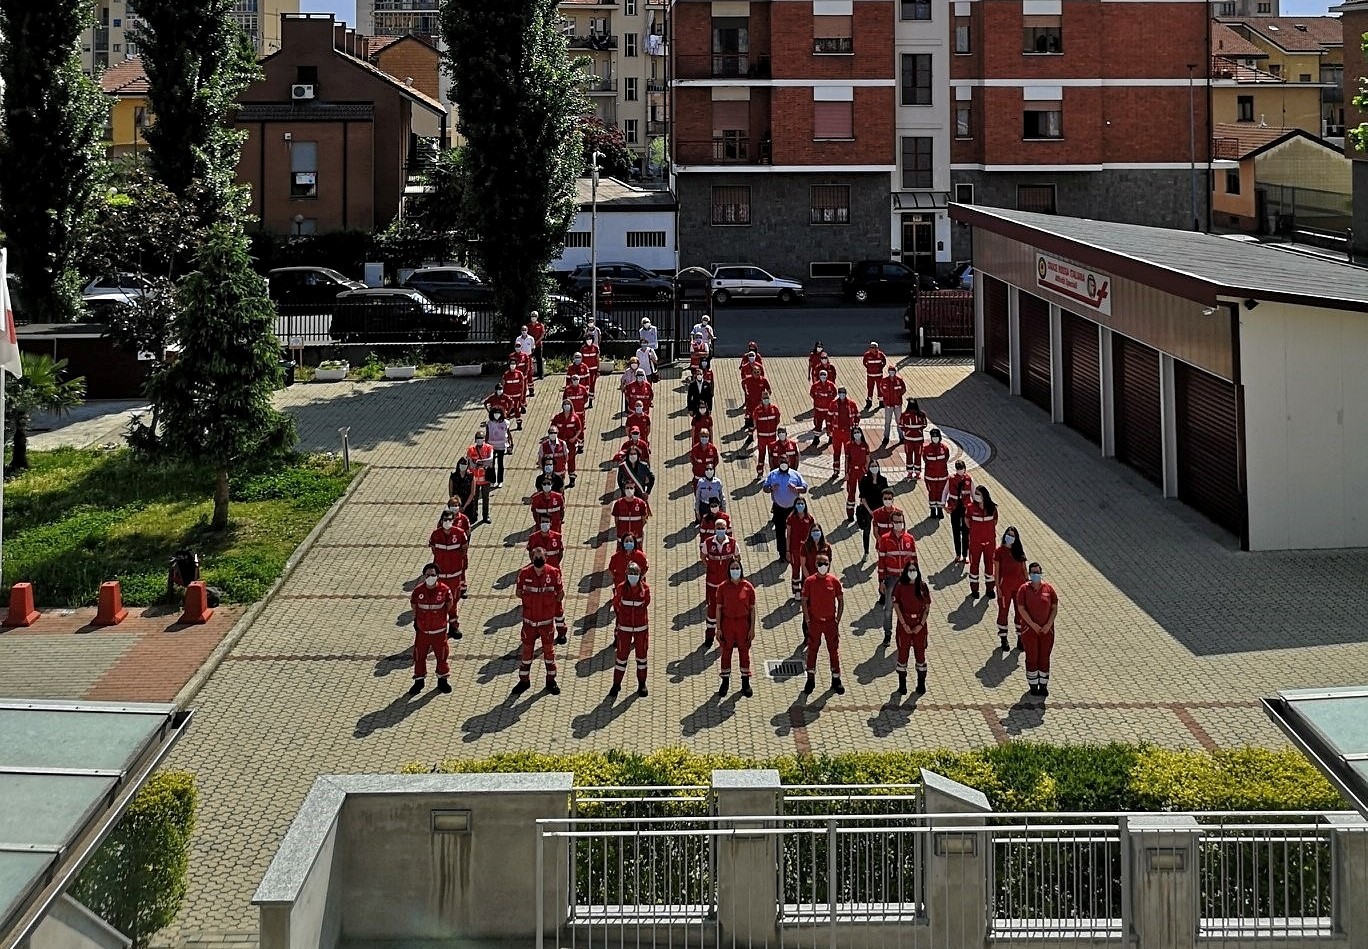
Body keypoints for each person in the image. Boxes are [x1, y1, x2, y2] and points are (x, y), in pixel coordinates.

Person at [513, 547, 565, 695]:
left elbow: (560, 594)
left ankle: (551, 681)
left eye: (540, 556)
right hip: (529, 623)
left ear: (546, 557)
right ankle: (524, 681)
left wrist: (549, 607)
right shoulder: (524, 574)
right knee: (526, 654)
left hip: (546, 623)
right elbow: (518, 593)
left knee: (549, 654)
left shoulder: (554, 573)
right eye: (536, 556)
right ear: (531, 557)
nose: (538, 558)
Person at [801, 551, 845, 696]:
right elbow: (804, 600)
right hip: (815, 622)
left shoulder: (834, 581)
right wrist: (807, 619)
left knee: (833, 651)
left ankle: (836, 679)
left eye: (825, 564)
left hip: (830, 622)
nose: (822, 566)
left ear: (829, 564)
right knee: (812, 650)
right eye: (820, 564)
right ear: (815, 565)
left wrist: (837, 619)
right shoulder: (809, 582)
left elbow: (840, 600)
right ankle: (810, 679)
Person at [409, 563, 456, 695]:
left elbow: (448, 605)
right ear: (424, 576)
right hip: (423, 632)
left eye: (433, 575)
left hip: (439, 632)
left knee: (441, 657)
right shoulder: (418, 591)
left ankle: (442, 680)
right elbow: (414, 606)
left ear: (437, 576)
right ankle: (419, 681)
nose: (431, 577)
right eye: (428, 575)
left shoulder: (444, 590)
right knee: (419, 657)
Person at [1014, 563, 1058, 697]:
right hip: (1029, 630)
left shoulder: (1048, 589)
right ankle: (1033, 685)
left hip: (1046, 631)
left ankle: (1043, 685)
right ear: (1029, 574)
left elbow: (1054, 607)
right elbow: (1021, 609)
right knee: (1032, 657)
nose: (1035, 575)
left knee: (1044, 657)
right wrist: (1033, 625)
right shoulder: (1023, 589)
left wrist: (1048, 624)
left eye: (1037, 572)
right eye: (1033, 573)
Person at [890, 562, 932, 695]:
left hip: (920, 626)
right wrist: (904, 625)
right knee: (903, 655)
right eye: (910, 570)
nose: (912, 572)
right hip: (905, 625)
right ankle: (902, 685)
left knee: (920, 655)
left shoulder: (922, 586)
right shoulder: (900, 586)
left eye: (914, 570)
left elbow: (927, 607)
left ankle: (921, 684)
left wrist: (920, 625)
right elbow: (896, 606)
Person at [717, 557, 756, 697]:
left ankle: (745, 682)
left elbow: (752, 609)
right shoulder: (722, 587)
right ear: (728, 571)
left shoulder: (748, 587)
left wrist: (752, 628)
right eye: (732, 568)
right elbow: (719, 609)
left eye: (737, 568)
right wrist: (719, 628)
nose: (735, 571)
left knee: (744, 653)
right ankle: (725, 682)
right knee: (726, 653)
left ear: (741, 570)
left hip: (743, 624)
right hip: (727, 623)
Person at [610, 564, 651, 698]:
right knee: (621, 658)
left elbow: (646, 603)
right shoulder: (621, 588)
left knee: (641, 658)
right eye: (630, 573)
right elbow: (616, 603)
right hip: (625, 628)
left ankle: (642, 684)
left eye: (635, 574)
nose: (633, 576)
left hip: (641, 629)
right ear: (627, 574)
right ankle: (616, 685)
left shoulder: (645, 589)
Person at [876, 512, 918, 639]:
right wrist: (881, 581)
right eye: (896, 521)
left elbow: (914, 561)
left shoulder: (909, 539)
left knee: (907, 608)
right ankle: (887, 634)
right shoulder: (885, 539)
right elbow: (881, 561)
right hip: (891, 579)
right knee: (888, 609)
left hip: (906, 579)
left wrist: (916, 579)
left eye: (901, 521)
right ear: (892, 523)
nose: (899, 524)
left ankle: (905, 634)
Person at [527, 515, 568, 643]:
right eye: (543, 522)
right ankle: (538, 631)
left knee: (557, 606)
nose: (545, 524)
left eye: (547, 522)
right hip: (538, 575)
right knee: (538, 605)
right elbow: (531, 555)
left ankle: (561, 632)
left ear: (550, 523)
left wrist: (553, 567)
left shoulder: (557, 537)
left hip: (553, 576)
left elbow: (560, 553)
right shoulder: (533, 538)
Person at [428, 511, 468, 636]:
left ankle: (453, 627)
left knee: (453, 602)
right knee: (439, 602)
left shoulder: (459, 533)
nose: (447, 522)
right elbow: (434, 549)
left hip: (454, 575)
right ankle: (439, 628)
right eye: (445, 519)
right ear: (441, 520)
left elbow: (464, 549)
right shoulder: (436, 534)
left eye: (449, 519)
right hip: (440, 576)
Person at [762, 460, 809, 562]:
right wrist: (771, 488)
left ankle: (792, 552)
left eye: (785, 463)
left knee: (792, 532)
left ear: (788, 463)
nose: (784, 465)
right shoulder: (773, 474)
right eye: (782, 462)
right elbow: (765, 487)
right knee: (780, 531)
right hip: (778, 508)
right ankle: (782, 554)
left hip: (792, 509)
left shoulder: (795, 474)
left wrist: (796, 489)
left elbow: (805, 488)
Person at [700, 523, 737, 647]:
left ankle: (726, 636)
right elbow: (703, 556)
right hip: (712, 583)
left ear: (726, 529)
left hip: (727, 584)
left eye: (723, 528)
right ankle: (709, 637)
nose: (721, 530)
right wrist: (710, 567)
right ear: (714, 529)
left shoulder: (732, 543)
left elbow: (738, 557)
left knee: (727, 610)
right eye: (718, 528)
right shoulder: (708, 542)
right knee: (712, 610)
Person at [993, 527, 1029, 651]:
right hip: (1005, 588)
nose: (1010, 537)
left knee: (1020, 612)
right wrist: (997, 587)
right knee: (1004, 611)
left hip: (1019, 587)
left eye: (1012, 536)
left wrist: (1027, 585)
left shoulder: (1019, 551)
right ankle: (1004, 638)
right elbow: (996, 572)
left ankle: (1020, 639)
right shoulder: (999, 551)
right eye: (1008, 535)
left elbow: (1024, 569)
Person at [967, 486, 1000, 599]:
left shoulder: (992, 508)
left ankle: (990, 589)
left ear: (984, 495)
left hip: (989, 543)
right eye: (975, 493)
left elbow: (995, 521)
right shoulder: (970, 508)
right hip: (975, 543)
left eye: (978, 493)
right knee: (974, 565)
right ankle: (974, 590)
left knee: (990, 566)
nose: (976, 495)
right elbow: (967, 522)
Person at [855, 465, 894, 559]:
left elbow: (887, 495)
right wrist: (870, 511)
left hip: (880, 510)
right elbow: (862, 498)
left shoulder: (883, 480)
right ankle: (866, 552)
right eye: (872, 466)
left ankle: (882, 549)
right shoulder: (865, 480)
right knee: (867, 531)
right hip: (868, 510)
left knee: (881, 531)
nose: (874, 467)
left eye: (876, 466)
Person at [785, 498, 816, 597]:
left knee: (805, 569)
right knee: (795, 570)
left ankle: (804, 590)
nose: (800, 506)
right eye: (798, 504)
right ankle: (796, 591)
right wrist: (788, 551)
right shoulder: (791, 518)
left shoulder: (809, 518)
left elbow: (812, 534)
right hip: (794, 549)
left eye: (802, 504)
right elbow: (788, 535)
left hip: (806, 550)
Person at [945, 460, 974, 565]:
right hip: (954, 506)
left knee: (966, 532)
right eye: (958, 469)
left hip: (965, 507)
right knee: (956, 531)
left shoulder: (969, 479)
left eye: (961, 468)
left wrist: (975, 508)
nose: (960, 471)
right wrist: (944, 506)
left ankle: (965, 555)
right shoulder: (951, 479)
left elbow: (973, 493)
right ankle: (958, 554)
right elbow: (945, 491)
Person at [829, 386, 860, 477]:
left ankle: (848, 471)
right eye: (840, 393)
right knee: (836, 452)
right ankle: (836, 470)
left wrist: (854, 428)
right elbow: (829, 417)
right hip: (837, 432)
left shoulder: (851, 404)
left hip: (848, 432)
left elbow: (857, 416)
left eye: (843, 393)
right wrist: (829, 429)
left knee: (848, 453)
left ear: (846, 394)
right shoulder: (833, 404)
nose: (842, 395)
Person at [550, 401, 583, 487]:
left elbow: (579, 429)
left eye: (568, 405)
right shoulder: (558, 417)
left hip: (570, 443)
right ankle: (559, 479)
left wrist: (574, 438)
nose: (566, 406)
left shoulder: (575, 417)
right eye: (565, 405)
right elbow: (552, 428)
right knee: (560, 460)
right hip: (560, 444)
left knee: (571, 460)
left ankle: (572, 479)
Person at [464, 434, 493, 523]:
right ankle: (474, 515)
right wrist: (479, 463)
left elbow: (490, 460)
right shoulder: (471, 449)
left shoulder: (489, 448)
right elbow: (470, 462)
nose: (480, 440)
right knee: (474, 497)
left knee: (485, 498)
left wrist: (479, 462)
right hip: (474, 478)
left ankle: (485, 516)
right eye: (478, 439)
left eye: (481, 438)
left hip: (485, 478)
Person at [922, 428, 951, 519]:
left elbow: (946, 458)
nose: (935, 438)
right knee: (932, 493)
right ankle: (933, 510)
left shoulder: (944, 448)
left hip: (942, 477)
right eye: (933, 437)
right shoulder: (926, 449)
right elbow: (925, 459)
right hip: (930, 477)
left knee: (941, 493)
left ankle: (940, 510)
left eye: (937, 437)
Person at [751, 391, 781, 475]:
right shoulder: (757, 410)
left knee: (773, 454)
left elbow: (778, 420)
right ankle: (760, 472)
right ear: (761, 399)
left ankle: (773, 471)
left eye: (767, 398)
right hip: (762, 437)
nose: (766, 400)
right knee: (762, 454)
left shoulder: (774, 409)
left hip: (772, 436)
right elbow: (755, 422)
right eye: (764, 398)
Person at [877, 366, 907, 448]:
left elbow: (903, 389)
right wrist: (886, 398)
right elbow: (882, 389)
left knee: (899, 422)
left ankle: (901, 437)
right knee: (887, 422)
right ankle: (886, 437)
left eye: (893, 371)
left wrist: (898, 396)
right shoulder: (884, 381)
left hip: (897, 405)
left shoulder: (899, 380)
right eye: (890, 371)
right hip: (888, 405)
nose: (891, 373)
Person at [898, 399, 928, 480]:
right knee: (918, 456)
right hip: (919, 439)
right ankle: (917, 473)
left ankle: (909, 473)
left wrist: (908, 431)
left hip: (908, 440)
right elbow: (925, 425)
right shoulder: (922, 414)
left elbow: (901, 426)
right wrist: (918, 430)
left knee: (909, 455)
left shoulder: (904, 415)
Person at [485, 407, 513, 487]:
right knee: (491, 464)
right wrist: (485, 445)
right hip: (491, 446)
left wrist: (511, 443)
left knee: (500, 464)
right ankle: (492, 481)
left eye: (498, 413)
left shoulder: (505, 422)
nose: (496, 415)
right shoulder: (489, 423)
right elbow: (487, 434)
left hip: (501, 446)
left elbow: (508, 433)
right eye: (495, 413)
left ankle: (500, 481)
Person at [448, 457, 478, 527]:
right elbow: (451, 491)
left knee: (467, 524)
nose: (463, 466)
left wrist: (464, 506)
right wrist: (455, 504)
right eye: (462, 464)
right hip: (456, 504)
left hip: (468, 504)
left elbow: (472, 493)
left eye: (465, 464)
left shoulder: (471, 476)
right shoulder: (453, 476)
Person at [741, 364, 770, 434]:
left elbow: (769, 390)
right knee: (749, 415)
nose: (756, 374)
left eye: (758, 372)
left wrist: (766, 395)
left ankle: (759, 426)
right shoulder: (748, 379)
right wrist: (745, 391)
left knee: (760, 415)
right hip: (750, 401)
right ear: (752, 373)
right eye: (754, 372)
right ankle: (748, 425)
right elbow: (742, 383)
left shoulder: (763, 380)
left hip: (759, 402)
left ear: (760, 372)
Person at [810, 369, 836, 441]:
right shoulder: (815, 385)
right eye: (821, 376)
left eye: (824, 376)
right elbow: (812, 394)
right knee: (817, 424)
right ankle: (816, 438)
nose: (823, 377)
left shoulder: (831, 385)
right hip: (819, 410)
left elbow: (834, 394)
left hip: (828, 410)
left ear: (827, 376)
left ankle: (831, 438)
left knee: (830, 424)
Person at [501, 358, 528, 427]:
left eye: (514, 364)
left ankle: (519, 424)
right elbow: (503, 386)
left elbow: (522, 386)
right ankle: (506, 426)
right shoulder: (506, 374)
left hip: (517, 396)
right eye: (511, 364)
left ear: (516, 365)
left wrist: (522, 397)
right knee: (507, 411)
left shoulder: (519, 374)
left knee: (517, 411)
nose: (512, 365)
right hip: (508, 397)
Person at [862, 340, 888, 409]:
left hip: (879, 375)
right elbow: (864, 363)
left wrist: (880, 368)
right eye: (870, 347)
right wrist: (869, 368)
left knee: (880, 388)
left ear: (876, 348)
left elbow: (884, 362)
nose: (871, 349)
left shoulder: (881, 355)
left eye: (872, 347)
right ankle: (869, 402)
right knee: (870, 388)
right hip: (870, 375)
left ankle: (881, 402)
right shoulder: (867, 355)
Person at [579, 336, 601, 405]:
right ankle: (584, 398)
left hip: (593, 370)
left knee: (592, 384)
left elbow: (597, 359)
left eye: (590, 339)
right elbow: (581, 360)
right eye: (587, 339)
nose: (589, 340)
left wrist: (598, 370)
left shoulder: (595, 348)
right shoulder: (583, 348)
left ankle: (591, 400)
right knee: (584, 384)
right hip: (585, 370)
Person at [528, 311, 546, 379]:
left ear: (537, 317)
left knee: (539, 359)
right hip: (530, 346)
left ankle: (540, 374)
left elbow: (542, 335)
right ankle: (529, 373)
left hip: (538, 345)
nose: (533, 317)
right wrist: (531, 342)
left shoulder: (540, 325)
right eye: (532, 316)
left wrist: (536, 341)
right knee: (529, 359)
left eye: (535, 316)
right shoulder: (528, 326)